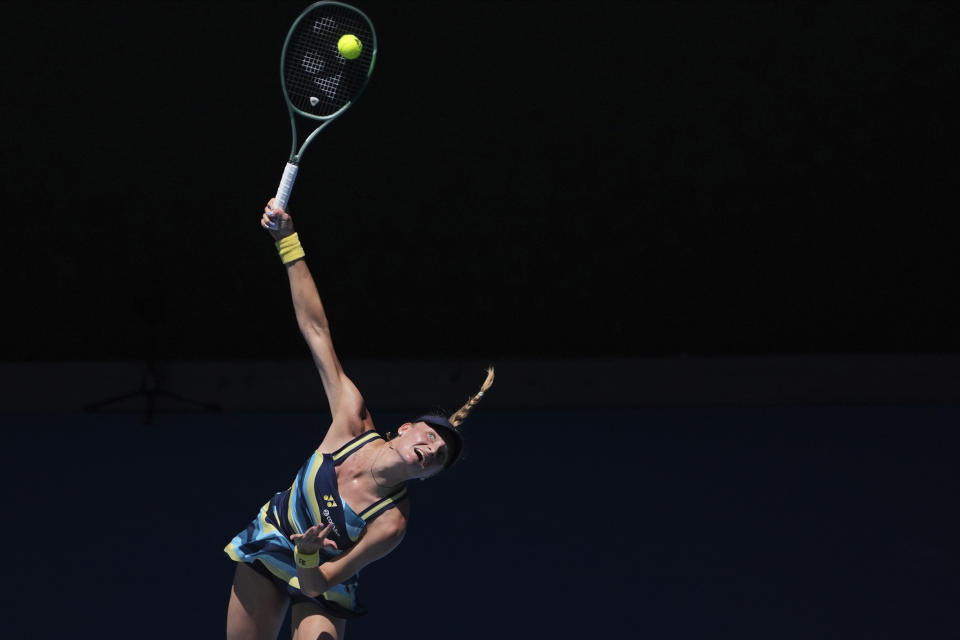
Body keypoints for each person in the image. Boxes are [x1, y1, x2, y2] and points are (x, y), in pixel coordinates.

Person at [224, 198, 494, 640]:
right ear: (405, 428)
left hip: (323, 576)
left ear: (427, 477)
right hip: (272, 540)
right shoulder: (349, 420)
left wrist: (310, 555)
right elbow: (316, 329)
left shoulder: (390, 523)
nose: (431, 449)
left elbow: (319, 583)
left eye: (439, 458)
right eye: (430, 437)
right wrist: (287, 240)